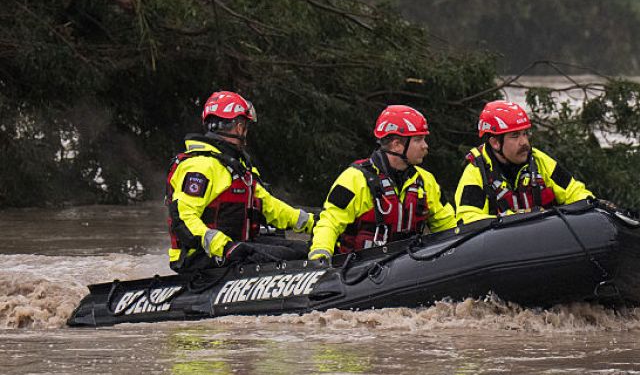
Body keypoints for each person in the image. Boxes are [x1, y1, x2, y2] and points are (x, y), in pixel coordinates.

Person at [166, 91, 315, 272]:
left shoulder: (238, 166)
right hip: (203, 256)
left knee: (303, 250)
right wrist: (224, 247)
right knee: (293, 257)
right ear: (238, 127)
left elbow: (269, 206)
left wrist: (312, 222)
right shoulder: (201, 166)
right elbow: (183, 217)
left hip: (236, 247)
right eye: (245, 126)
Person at [308, 105, 456, 263]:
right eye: (418, 140)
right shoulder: (355, 179)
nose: (425, 146)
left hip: (408, 266)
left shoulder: (425, 181)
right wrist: (320, 254)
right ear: (396, 144)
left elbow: (447, 225)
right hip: (357, 270)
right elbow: (330, 221)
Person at [454, 100, 593, 226]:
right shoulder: (476, 173)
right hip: (503, 247)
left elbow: (575, 192)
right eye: (515, 136)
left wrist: (591, 205)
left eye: (525, 133)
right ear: (495, 143)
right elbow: (468, 219)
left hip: (546, 239)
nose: (524, 142)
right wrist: (513, 218)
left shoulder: (539, 160)